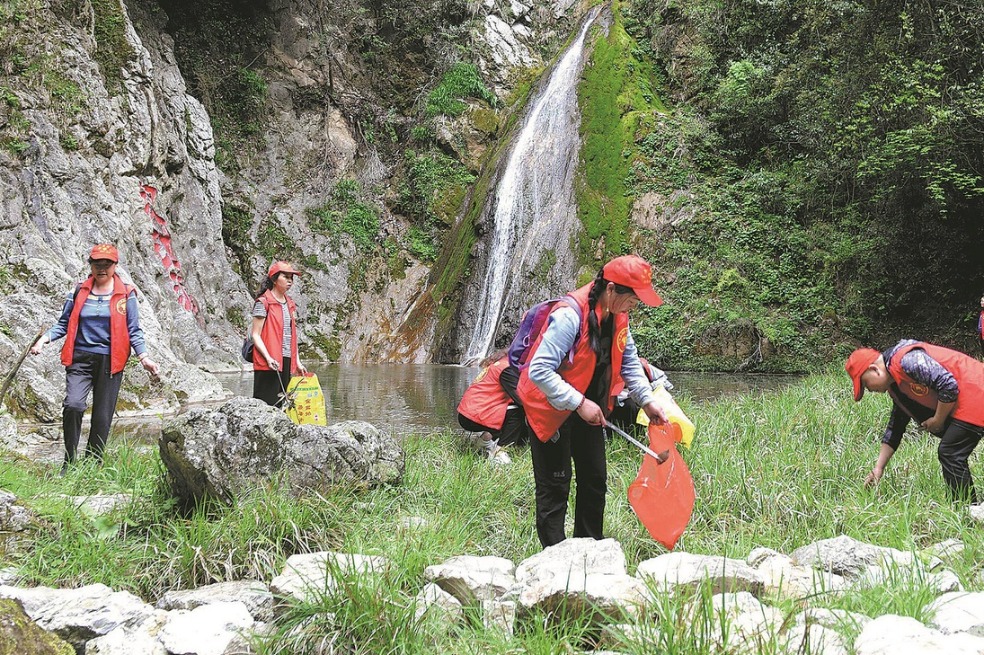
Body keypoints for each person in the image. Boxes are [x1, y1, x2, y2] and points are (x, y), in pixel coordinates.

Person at [517, 254, 671, 548]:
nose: (633, 307)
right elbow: (538, 370)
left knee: (594, 479)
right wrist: (578, 402)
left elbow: (628, 362)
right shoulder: (569, 317)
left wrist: (647, 401)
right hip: (549, 408)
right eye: (633, 300)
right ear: (611, 289)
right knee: (555, 487)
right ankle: (555, 559)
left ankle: (589, 551)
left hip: (586, 407)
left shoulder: (617, 317)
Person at [29, 244, 160, 470]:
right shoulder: (79, 291)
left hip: (111, 361)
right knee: (73, 405)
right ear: (90, 265)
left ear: (115, 266)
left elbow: (133, 329)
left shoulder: (126, 294)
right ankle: (69, 462)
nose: (102, 268)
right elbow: (64, 323)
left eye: (107, 264)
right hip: (80, 358)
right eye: (97, 264)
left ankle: (92, 465)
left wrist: (144, 357)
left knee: (102, 417)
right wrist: (43, 340)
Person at [845, 339, 984, 504]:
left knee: (950, 452)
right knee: (950, 451)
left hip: (976, 392)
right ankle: (966, 507)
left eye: (866, 384)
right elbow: (895, 427)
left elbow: (948, 385)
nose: (870, 390)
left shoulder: (906, 361)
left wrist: (938, 420)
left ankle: (966, 509)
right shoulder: (896, 385)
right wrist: (878, 469)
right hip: (971, 400)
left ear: (874, 369)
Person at [251, 261, 307, 407]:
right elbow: (255, 335)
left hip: (286, 360)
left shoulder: (290, 304)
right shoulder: (264, 302)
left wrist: (298, 362)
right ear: (274, 279)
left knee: (282, 404)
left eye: (291, 278)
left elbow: (291, 336)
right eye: (286, 277)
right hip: (268, 361)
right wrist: (268, 358)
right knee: (265, 403)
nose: (290, 281)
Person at [457, 351, 529, 464]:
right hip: (475, 415)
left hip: (469, 413)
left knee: (514, 407)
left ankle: (485, 440)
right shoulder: (507, 369)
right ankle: (500, 452)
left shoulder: (502, 363)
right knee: (519, 409)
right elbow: (522, 399)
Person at [609, 357, 672, 428]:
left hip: (647, 397)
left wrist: (648, 390)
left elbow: (666, 382)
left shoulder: (641, 367)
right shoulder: (610, 375)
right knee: (630, 405)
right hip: (619, 406)